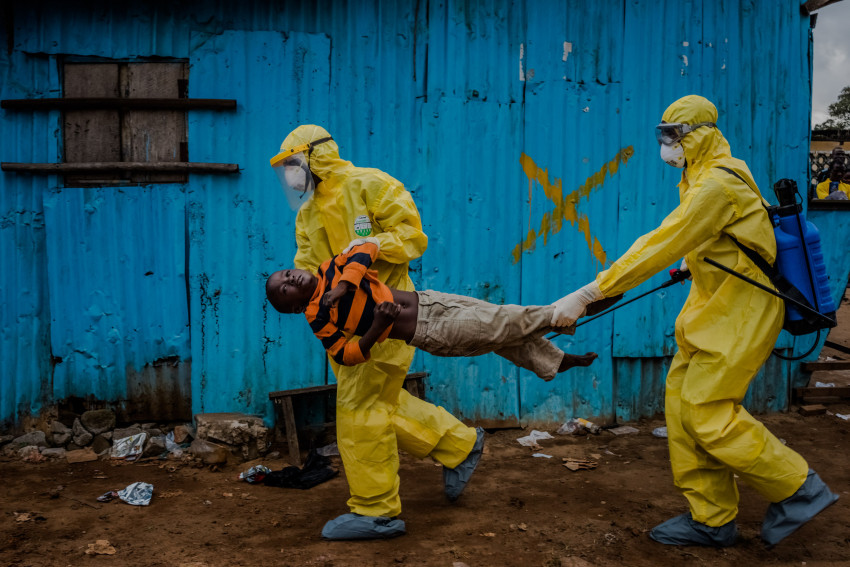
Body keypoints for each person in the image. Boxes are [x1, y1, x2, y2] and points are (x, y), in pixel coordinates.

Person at [551, 95, 838, 548]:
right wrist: (694, 260)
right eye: (661, 135)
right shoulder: (702, 174)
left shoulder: (717, 183)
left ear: (698, 134)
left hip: (742, 310)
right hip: (712, 306)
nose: (666, 146)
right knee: (683, 409)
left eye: (672, 136)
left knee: (708, 411)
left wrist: (593, 291)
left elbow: (662, 240)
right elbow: (727, 231)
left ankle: (799, 488)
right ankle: (712, 518)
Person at [269, 125, 483, 541]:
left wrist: (361, 254)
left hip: (386, 314)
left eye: (294, 163)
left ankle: (375, 510)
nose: (292, 175)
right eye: (286, 169)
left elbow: (411, 238)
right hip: (345, 327)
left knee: (358, 413)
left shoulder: (373, 185)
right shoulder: (307, 214)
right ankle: (460, 445)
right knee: (380, 405)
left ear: (317, 155)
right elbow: (309, 268)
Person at [265, 240, 600, 381]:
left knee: (501, 334)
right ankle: (573, 307)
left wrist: (342, 287)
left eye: (285, 273)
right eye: (284, 287)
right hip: (431, 331)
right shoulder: (318, 317)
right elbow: (344, 355)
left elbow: (366, 247)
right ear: (294, 307)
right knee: (501, 322)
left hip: (433, 300)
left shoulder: (330, 268)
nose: (289, 277)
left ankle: (555, 362)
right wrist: (375, 328)